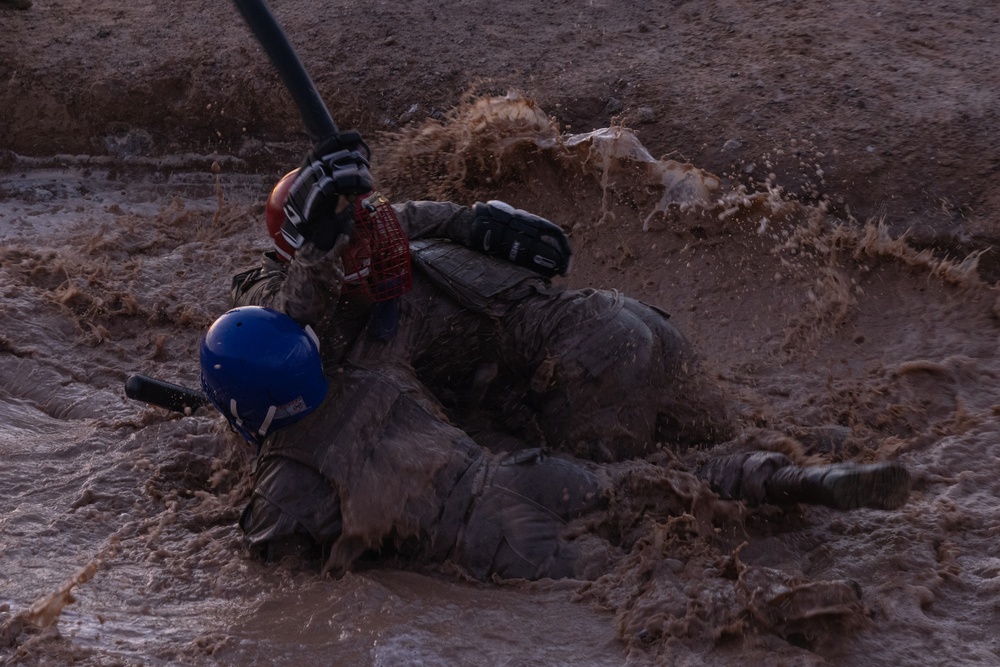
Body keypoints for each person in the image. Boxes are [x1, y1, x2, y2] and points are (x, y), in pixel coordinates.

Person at [212, 132, 911, 578]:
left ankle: (773, 544)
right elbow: (298, 305)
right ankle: (794, 463)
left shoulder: (362, 387)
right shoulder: (345, 319)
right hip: (622, 333)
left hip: (530, 462)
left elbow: (278, 551)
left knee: (641, 515)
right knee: (677, 464)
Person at [200, 306, 910, 580]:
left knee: (657, 577)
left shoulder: (285, 487)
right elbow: (386, 322)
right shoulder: (375, 376)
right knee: (661, 479)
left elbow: (269, 559)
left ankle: (789, 598)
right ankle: (792, 477)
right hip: (521, 476)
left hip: (496, 548)